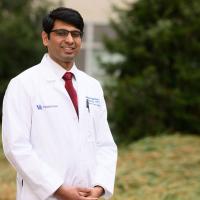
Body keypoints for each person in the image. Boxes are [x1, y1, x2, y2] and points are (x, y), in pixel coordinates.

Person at [2, 7, 117, 200]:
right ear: (45, 38)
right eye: (61, 33)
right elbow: (17, 147)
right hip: (44, 196)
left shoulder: (93, 86)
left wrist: (99, 187)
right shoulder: (23, 85)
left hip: (88, 195)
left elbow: (105, 145)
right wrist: (58, 189)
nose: (70, 40)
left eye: (76, 34)